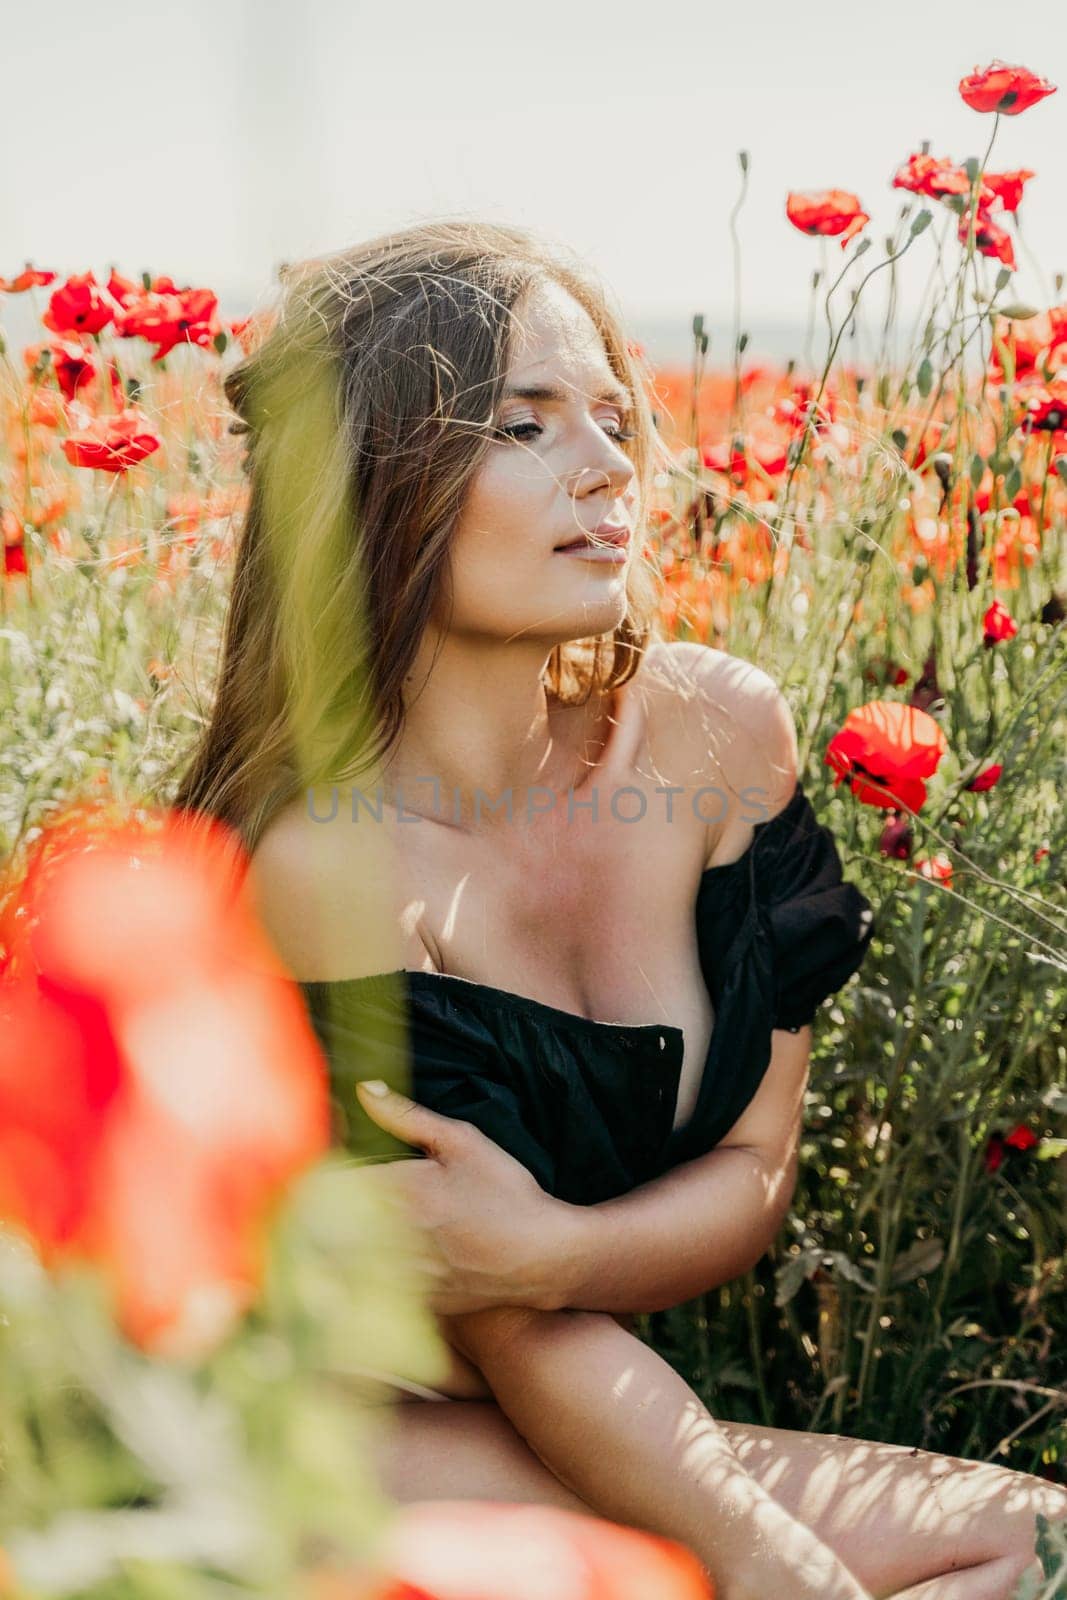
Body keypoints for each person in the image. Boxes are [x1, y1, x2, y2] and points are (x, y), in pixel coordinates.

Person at [172, 219, 1067, 1600]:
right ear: (360, 482)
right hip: (341, 1451)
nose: (609, 468)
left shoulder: (716, 733)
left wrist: (566, 1247)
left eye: (611, 415)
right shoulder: (321, 859)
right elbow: (497, 1313)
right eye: (524, 426)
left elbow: (753, 1172)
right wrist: (785, 1576)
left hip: (593, 1404)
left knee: (1040, 1545)